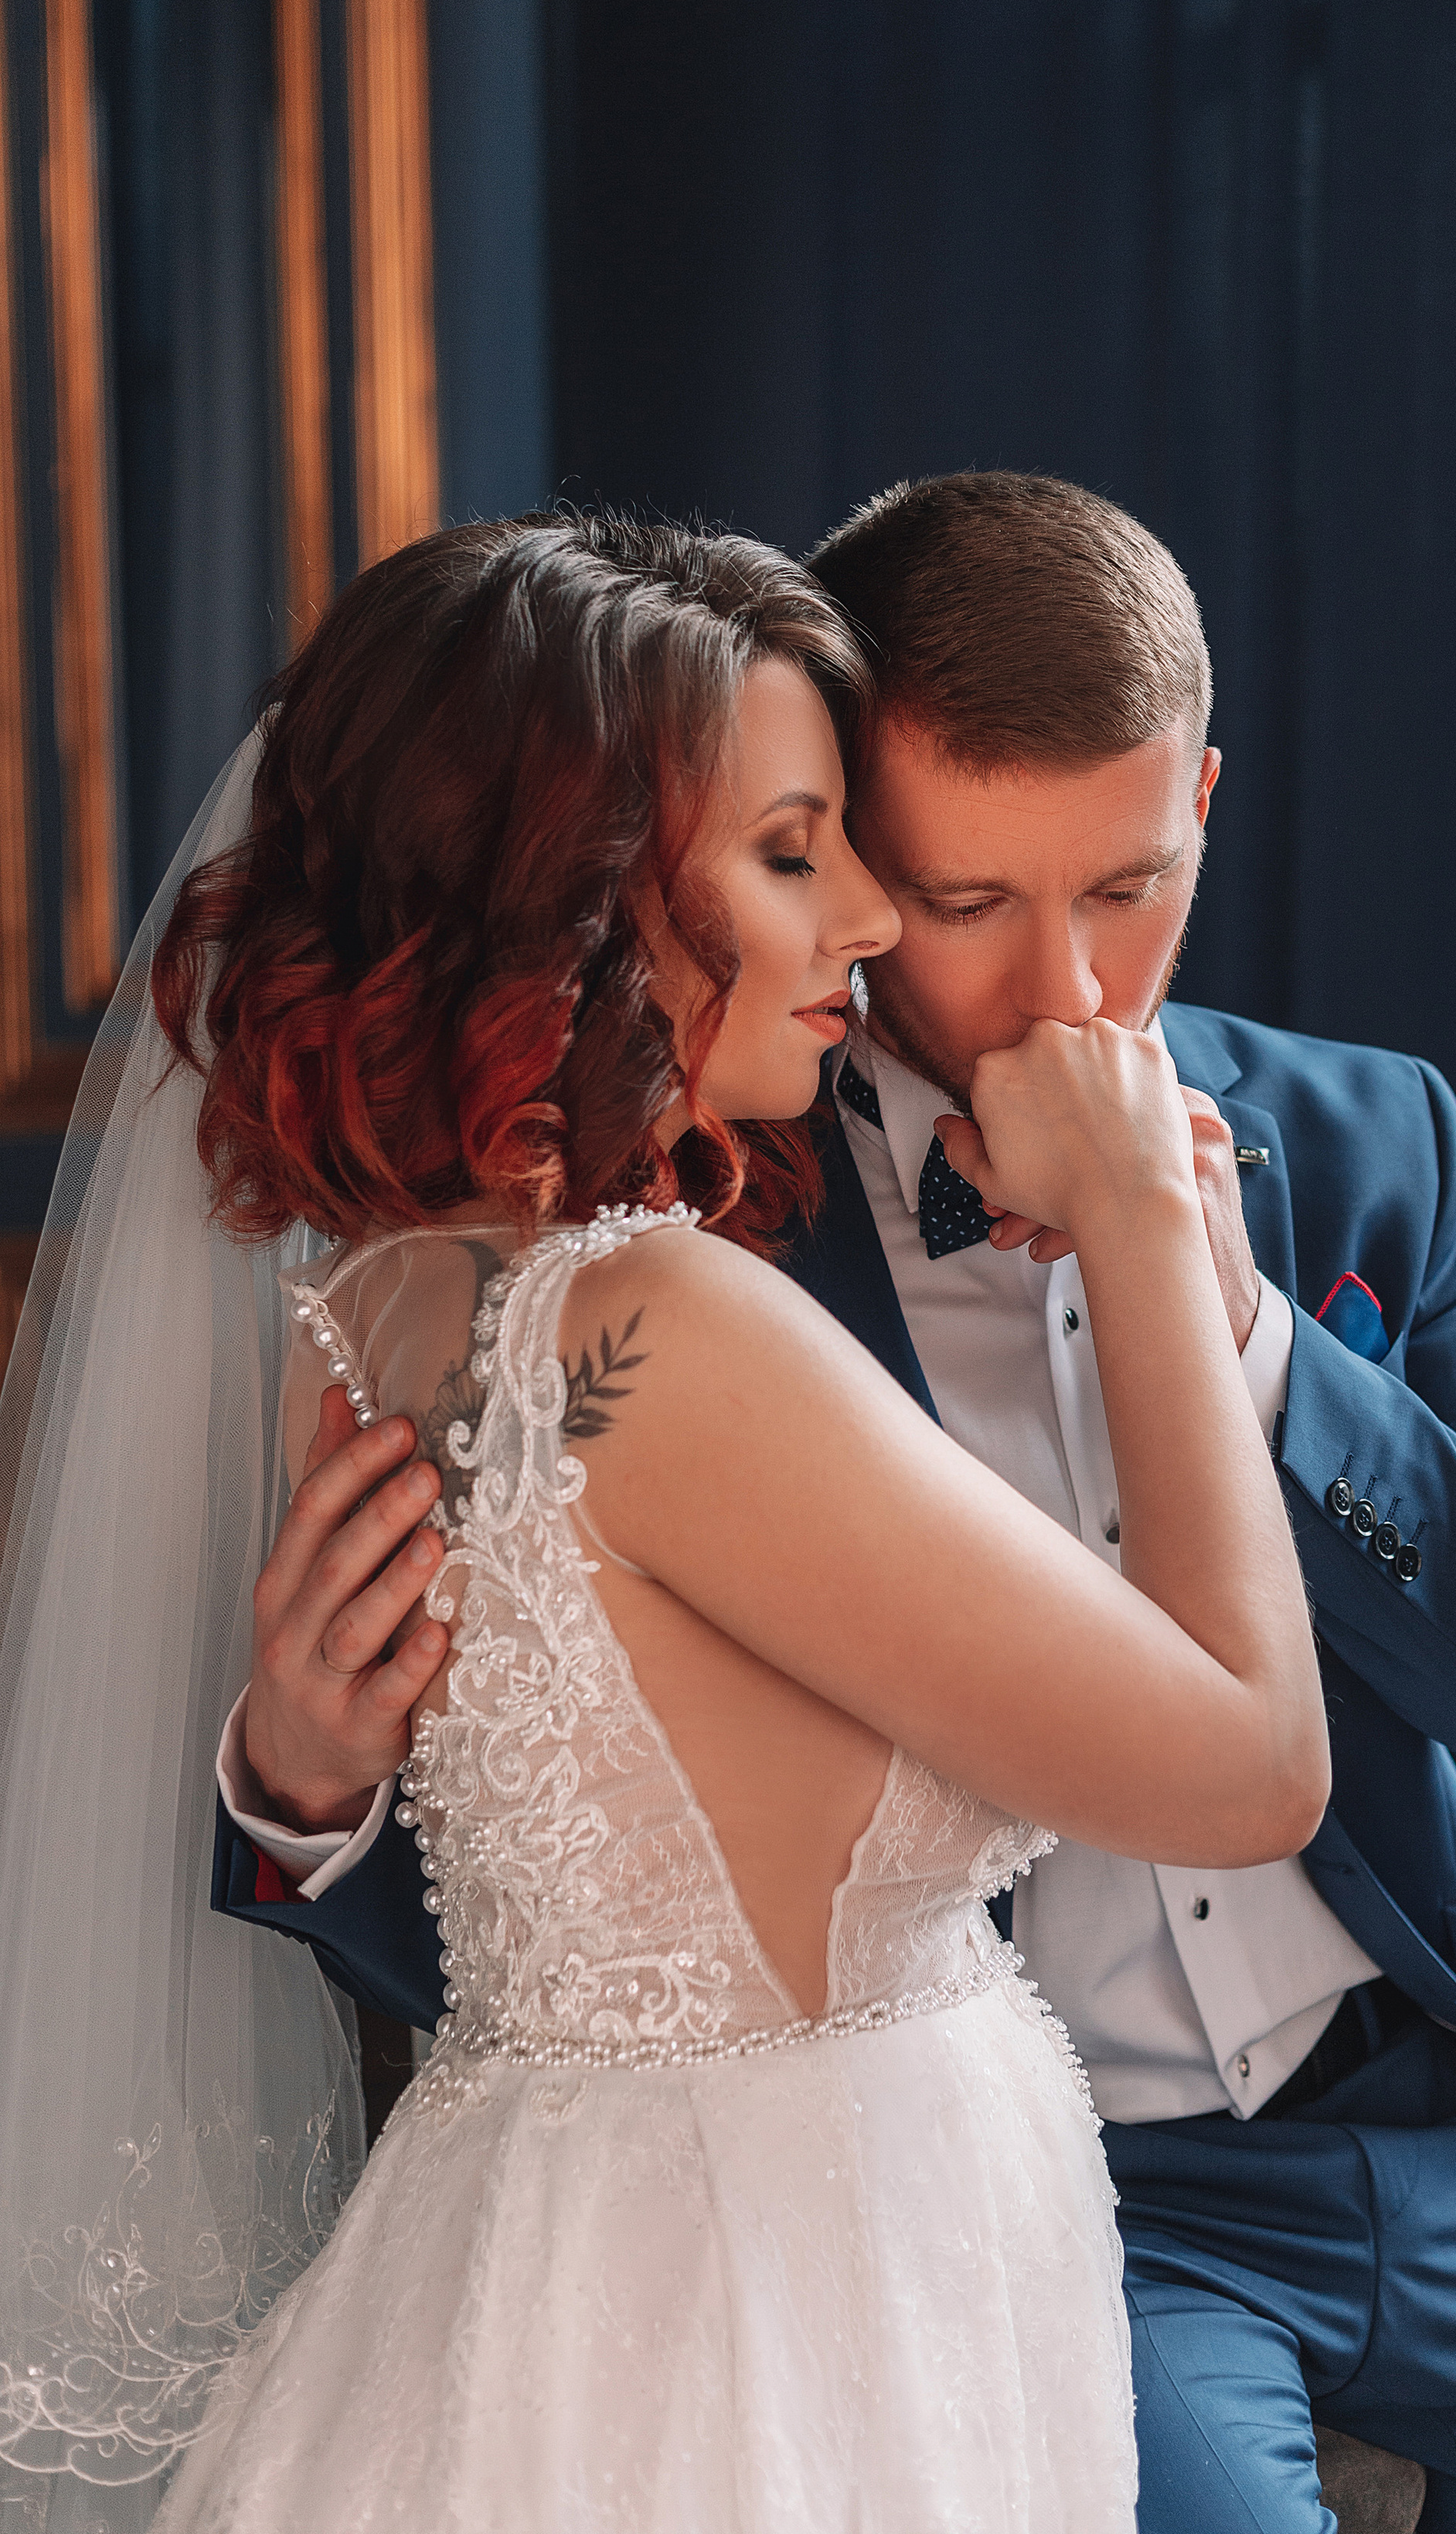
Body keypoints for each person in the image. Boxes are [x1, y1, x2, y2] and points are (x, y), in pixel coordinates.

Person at [234, 473, 1456, 2534]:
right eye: (961, 901)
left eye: (1128, 887)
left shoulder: (1365, 1141)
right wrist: (308, 1794)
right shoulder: (690, 1224)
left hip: (1434, 2125)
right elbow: (597, 1920)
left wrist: (1246, 1337)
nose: (1066, 995)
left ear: (1203, 802)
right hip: (1067, 2196)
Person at [0, 514, 1334, 2534]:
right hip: (760, 2323)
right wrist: (1153, 1222)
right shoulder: (655, 1328)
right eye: (794, 854)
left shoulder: (365, 1312)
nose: (871, 915)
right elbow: (1248, 1766)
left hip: (573, 2258)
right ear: (582, 896)